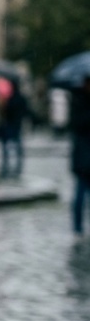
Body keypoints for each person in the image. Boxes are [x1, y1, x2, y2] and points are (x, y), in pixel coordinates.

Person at [0, 75, 28, 179]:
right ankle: (17, 169)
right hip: (17, 125)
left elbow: (4, 113)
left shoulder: (8, 99)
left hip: (8, 126)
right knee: (17, 149)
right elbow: (25, 111)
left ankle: (6, 169)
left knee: (6, 149)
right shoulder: (21, 98)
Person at [71, 80, 90, 239]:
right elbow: (79, 125)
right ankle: (77, 227)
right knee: (80, 193)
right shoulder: (79, 102)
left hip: (82, 155)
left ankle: (79, 226)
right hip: (83, 156)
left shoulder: (78, 101)